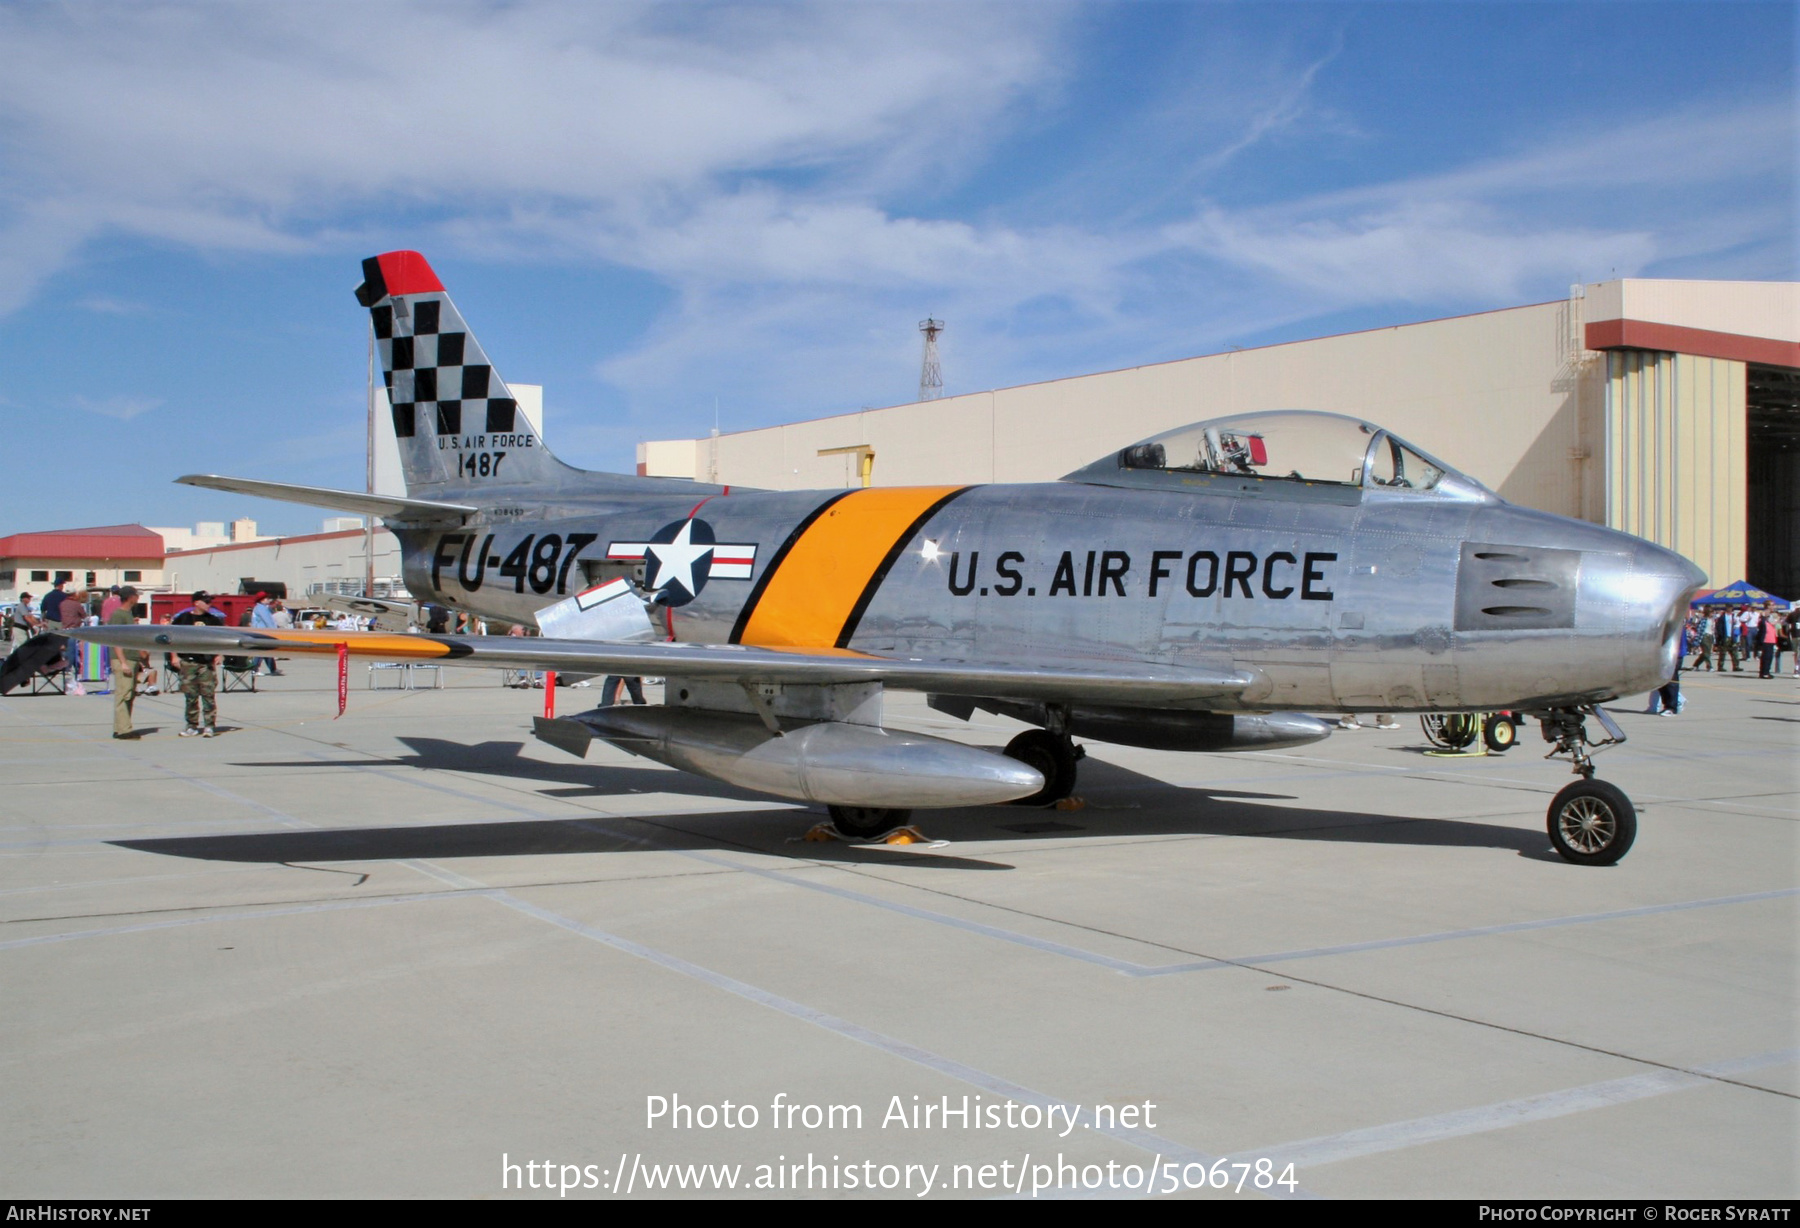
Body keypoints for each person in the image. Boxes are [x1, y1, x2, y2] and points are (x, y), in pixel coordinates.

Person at [171, 591, 225, 737]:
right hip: (188, 662)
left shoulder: (213, 620)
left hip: (205, 663)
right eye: (206, 601)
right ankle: (191, 725)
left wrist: (219, 654)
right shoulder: (183, 618)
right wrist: (174, 656)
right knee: (190, 696)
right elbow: (172, 637)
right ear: (196, 603)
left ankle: (209, 725)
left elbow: (222, 638)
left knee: (208, 694)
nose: (209, 604)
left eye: (210, 601)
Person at [106, 587, 149, 738]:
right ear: (130, 597)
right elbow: (116, 639)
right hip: (124, 659)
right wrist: (122, 662)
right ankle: (124, 730)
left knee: (129, 694)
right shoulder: (119, 615)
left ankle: (121, 727)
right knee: (123, 694)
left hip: (132, 658)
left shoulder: (128, 614)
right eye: (136, 595)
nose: (137, 598)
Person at [250, 592, 282, 675]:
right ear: (262, 600)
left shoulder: (260, 607)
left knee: (266, 651)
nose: (268, 600)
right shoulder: (261, 608)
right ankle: (254, 669)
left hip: (260, 632)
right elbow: (267, 620)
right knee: (261, 651)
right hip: (262, 632)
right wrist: (275, 631)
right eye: (267, 598)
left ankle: (273, 669)